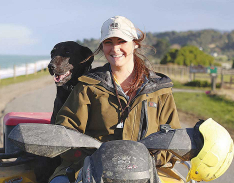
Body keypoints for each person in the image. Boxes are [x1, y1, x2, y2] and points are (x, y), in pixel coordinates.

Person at [49, 16, 181, 183]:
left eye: (121, 41)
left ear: (135, 43)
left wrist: (148, 161)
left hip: (149, 171)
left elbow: (173, 139)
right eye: (109, 42)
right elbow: (65, 132)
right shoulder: (88, 86)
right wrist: (92, 161)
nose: (115, 48)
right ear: (102, 47)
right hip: (89, 169)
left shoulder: (159, 89)